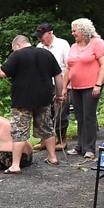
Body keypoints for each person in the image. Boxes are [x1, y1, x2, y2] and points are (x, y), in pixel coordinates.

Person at [0, 35, 64, 173]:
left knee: (18, 131)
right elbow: (58, 76)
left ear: (17, 45)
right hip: (44, 98)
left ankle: (15, 165)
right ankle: (52, 157)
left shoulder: (17, 55)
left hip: (22, 100)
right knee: (47, 127)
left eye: (13, 49)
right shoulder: (46, 53)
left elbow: (3, 72)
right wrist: (59, 95)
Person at [62, 17, 104, 160]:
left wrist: (98, 84)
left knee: (89, 116)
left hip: (91, 86)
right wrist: (64, 87)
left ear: (83, 30)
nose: (73, 33)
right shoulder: (74, 46)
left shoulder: (98, 43)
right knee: (79, 117)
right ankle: (79, 146)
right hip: (76, 87)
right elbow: (69, 68)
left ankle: (90, 148)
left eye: (75, 30)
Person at [33, 22, 70, 151]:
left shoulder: (62, 44)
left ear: (49, 33)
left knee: (60, 113)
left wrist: (65, 87)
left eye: (41, 36)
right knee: (45, 114)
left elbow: (68, 66)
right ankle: (44, 140)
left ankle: (62, 140)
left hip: (60, 83)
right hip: (45, 85)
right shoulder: (39, 47)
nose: (39, 39)